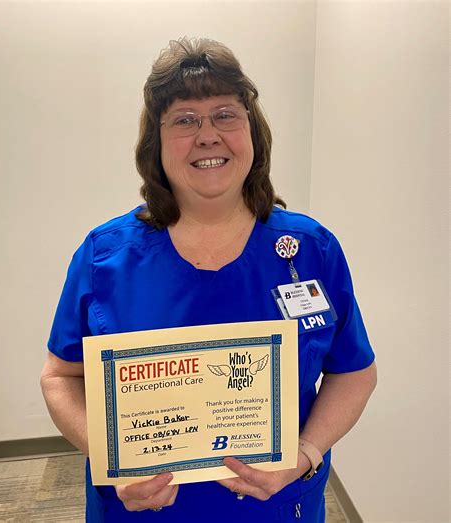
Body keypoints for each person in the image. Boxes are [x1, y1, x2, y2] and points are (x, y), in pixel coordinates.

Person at [41, 37, 377, 523]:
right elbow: (59, 377)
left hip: (275, 507)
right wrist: (112, 460)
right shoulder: (104, 256)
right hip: (142, 511)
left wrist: (306, 452)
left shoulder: (311, 249)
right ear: (155, 144)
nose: (207, 136)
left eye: (225, 114)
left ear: (252, 131)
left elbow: (355, 372)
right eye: (184, 120)